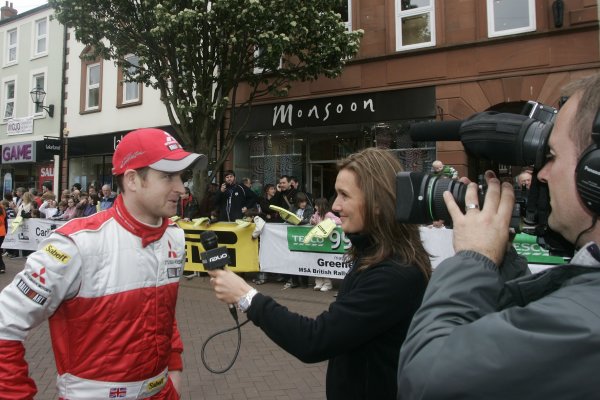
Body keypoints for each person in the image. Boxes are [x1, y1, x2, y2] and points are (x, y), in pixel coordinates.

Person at [397, 73, 600, 399]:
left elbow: (426, 379)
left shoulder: (586, 321)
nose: (544, 175)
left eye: (553, 156)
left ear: (596, 172)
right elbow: (525, 328)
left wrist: (472, 259)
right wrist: (501, 254)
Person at [209, 147, 431, 400]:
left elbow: (314, 340)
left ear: (379, 202)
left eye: (345, 195)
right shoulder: (371, 254)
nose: (335, 206)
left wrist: (245, 295)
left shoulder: (396, 274)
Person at [0, 127, 207, 399]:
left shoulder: (174, 236)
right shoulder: (75, 244)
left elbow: (164, 312)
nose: (181, 188)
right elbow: (5, 325)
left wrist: (174, 372)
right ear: (132, 180)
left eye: (182, 176)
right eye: (168, 176)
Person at [310, 197, 342, 292]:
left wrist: (329, 222)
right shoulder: (316, 214)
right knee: (317, 262)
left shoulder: (328, 214)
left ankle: (328, 283)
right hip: (318, 241)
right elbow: (314, 222)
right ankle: (318, 282)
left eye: (317, 205)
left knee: (324, 262)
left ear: (321, 206)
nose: (315, 207)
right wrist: (312, 221)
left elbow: (339, 220)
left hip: (327, 241)